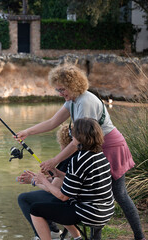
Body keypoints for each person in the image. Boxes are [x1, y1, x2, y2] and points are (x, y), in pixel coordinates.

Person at [15, 64, 146, 240]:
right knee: (93, 191)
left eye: (62, 89)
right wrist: (27, 132)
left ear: (74, 85)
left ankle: (139, 236)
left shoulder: (86, 102)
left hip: (111, 146)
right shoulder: (72, 101)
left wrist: (54, 161)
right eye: (58, 90)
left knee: (119, 193)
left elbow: (78, 142)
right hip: (95, 147)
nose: (60, 93)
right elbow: (53, 121)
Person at [30, 118, 115, 240]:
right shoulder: (100, 155)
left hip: (91, 213)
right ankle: (77, 237)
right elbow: (83, 181)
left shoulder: (78, 160)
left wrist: (43, 181)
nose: (71, 137)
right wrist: (58, 173)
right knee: (55, 204)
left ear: (80, 137)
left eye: (72, 134)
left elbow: (64, 196)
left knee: (35, 209)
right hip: (106, 209)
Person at [17, 124, 73, 240]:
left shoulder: (67, 159)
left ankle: (48, 232)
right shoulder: (77, 157)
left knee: (24, 198)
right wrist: (38, 178)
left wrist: (34, 181)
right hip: (71, 197)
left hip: (66, 201)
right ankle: (52, 231)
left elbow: (52, 188)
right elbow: (59, 180)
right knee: (32, 198)